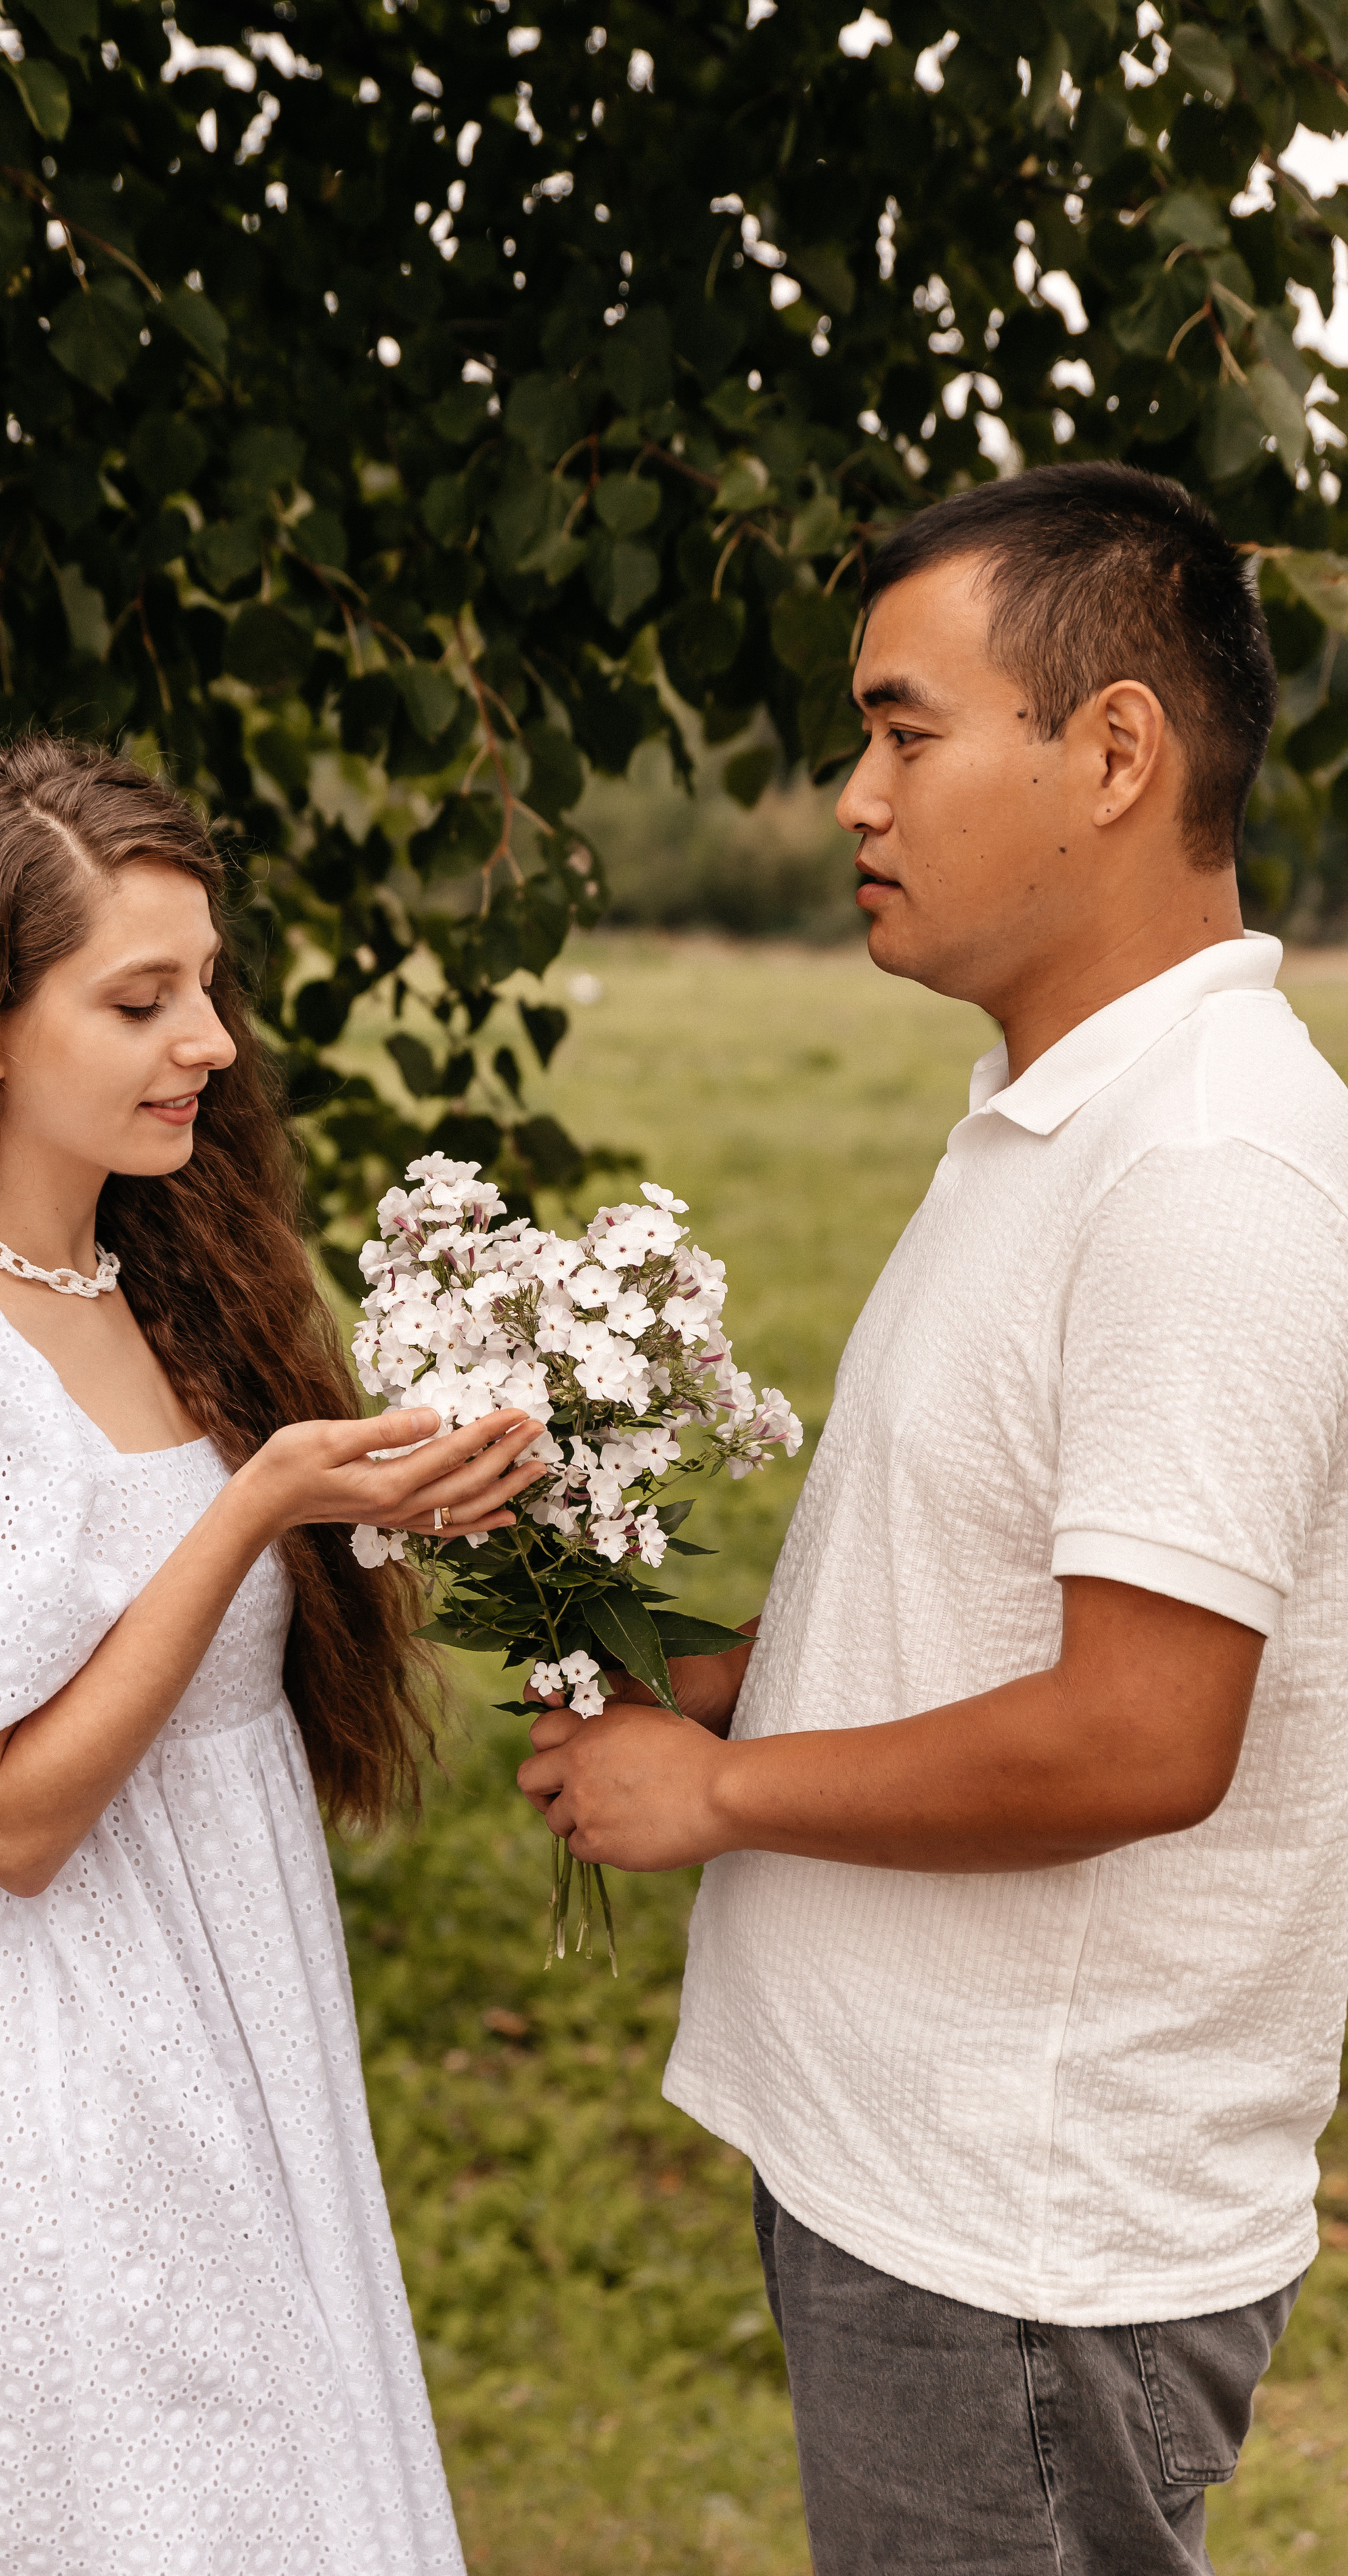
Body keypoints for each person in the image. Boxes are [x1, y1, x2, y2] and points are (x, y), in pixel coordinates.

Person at [518, 464, 1348, 2571]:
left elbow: (1144, 1734)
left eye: (905, 732)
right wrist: (717, 1680)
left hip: (1022, 2237)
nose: (854, 801)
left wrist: (718, 1799)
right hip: (919, 2183)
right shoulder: (1048, 1109)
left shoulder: (1206, 1168)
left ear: (1116, 751)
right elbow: (1003, 1598)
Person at [0, 735, 545, 2576]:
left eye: (210, 987)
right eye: (142, 997)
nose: (214, 1043)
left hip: (235, 2029)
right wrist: (255, 1510)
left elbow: (201, 1619)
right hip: (56, 2087)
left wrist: (386, 1497)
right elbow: (8, 1818)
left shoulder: (161, 1286)